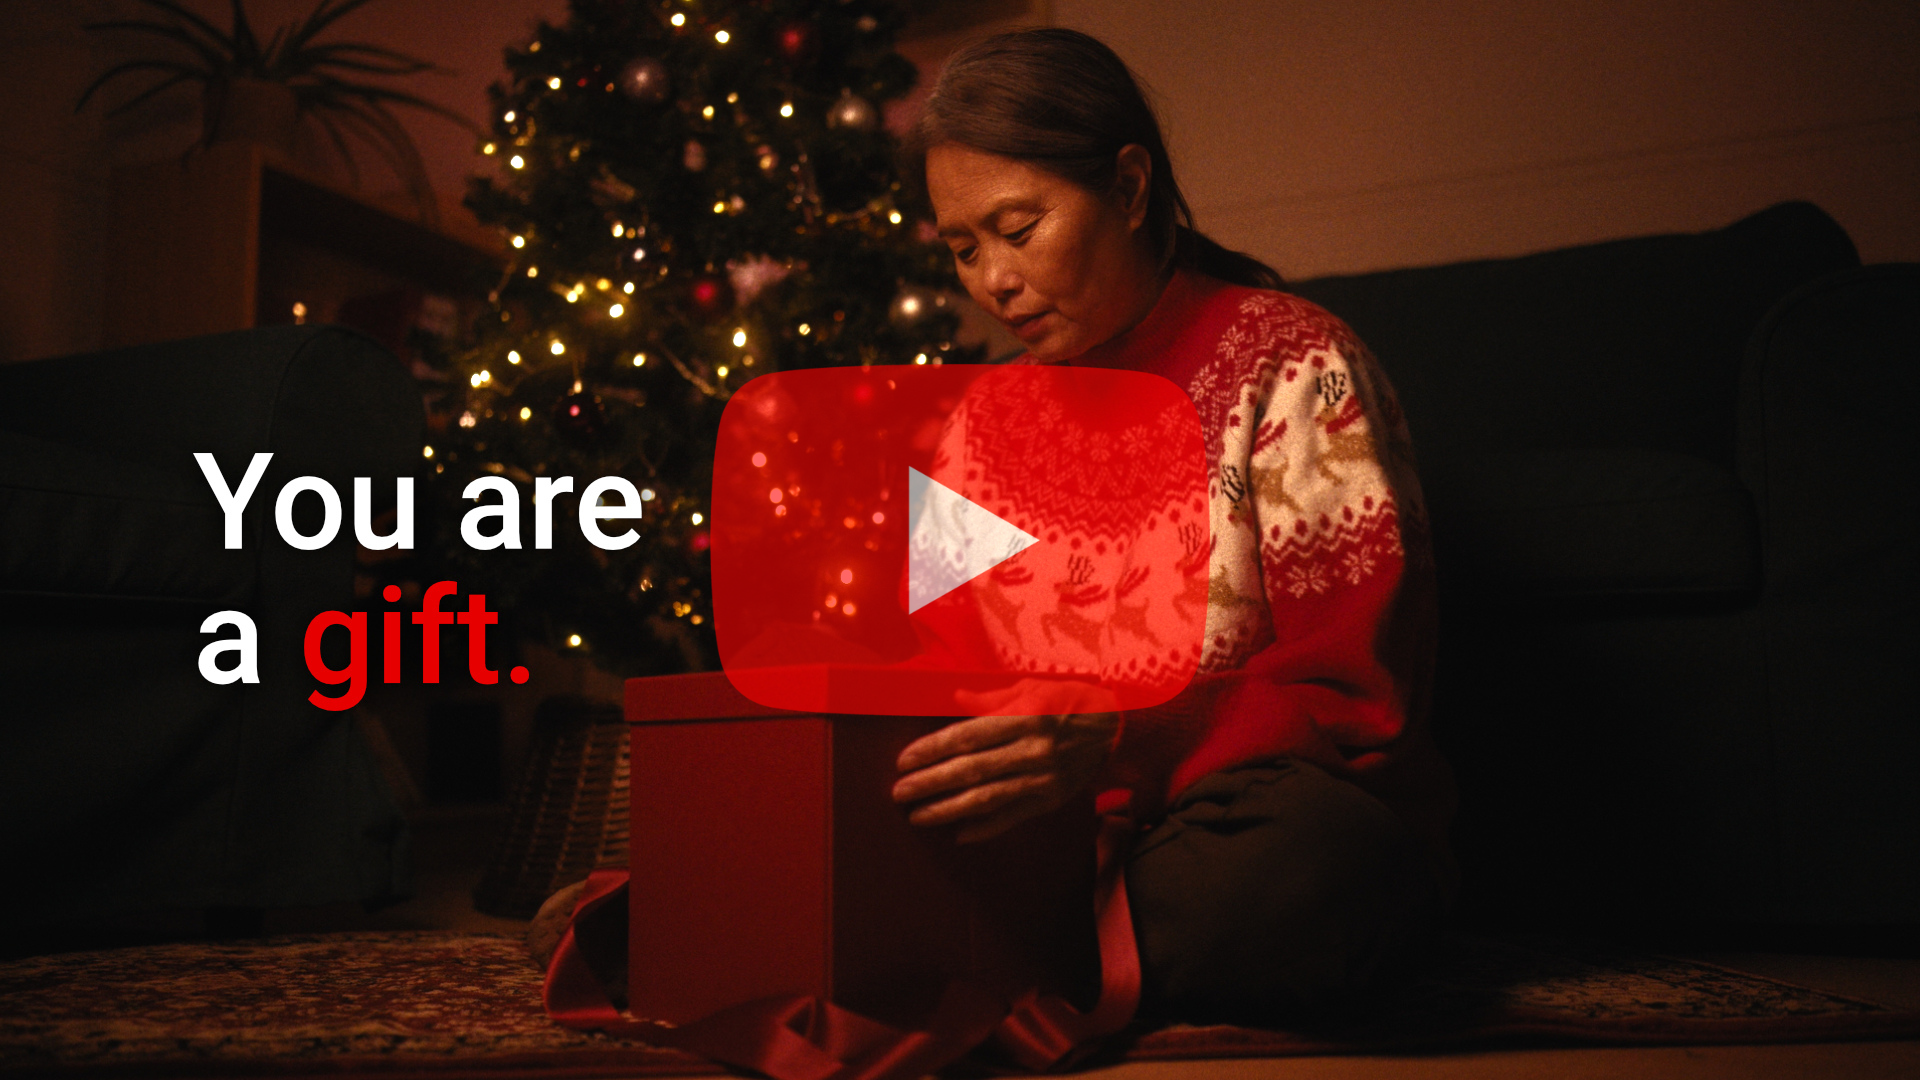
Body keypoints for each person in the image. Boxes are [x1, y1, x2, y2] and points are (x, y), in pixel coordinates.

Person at [887, 27, 1458, 1026]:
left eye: (1019, 229)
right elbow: (935, 680)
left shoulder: (1296, 365)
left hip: (1228, 830)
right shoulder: (973, 427)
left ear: (1131, 187)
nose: (991, 282)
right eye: (963, 248)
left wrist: (1116, 737)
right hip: (1046, 841)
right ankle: (990, 953)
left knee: (1325, 863)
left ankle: (942, 966)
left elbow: (1354, 703)